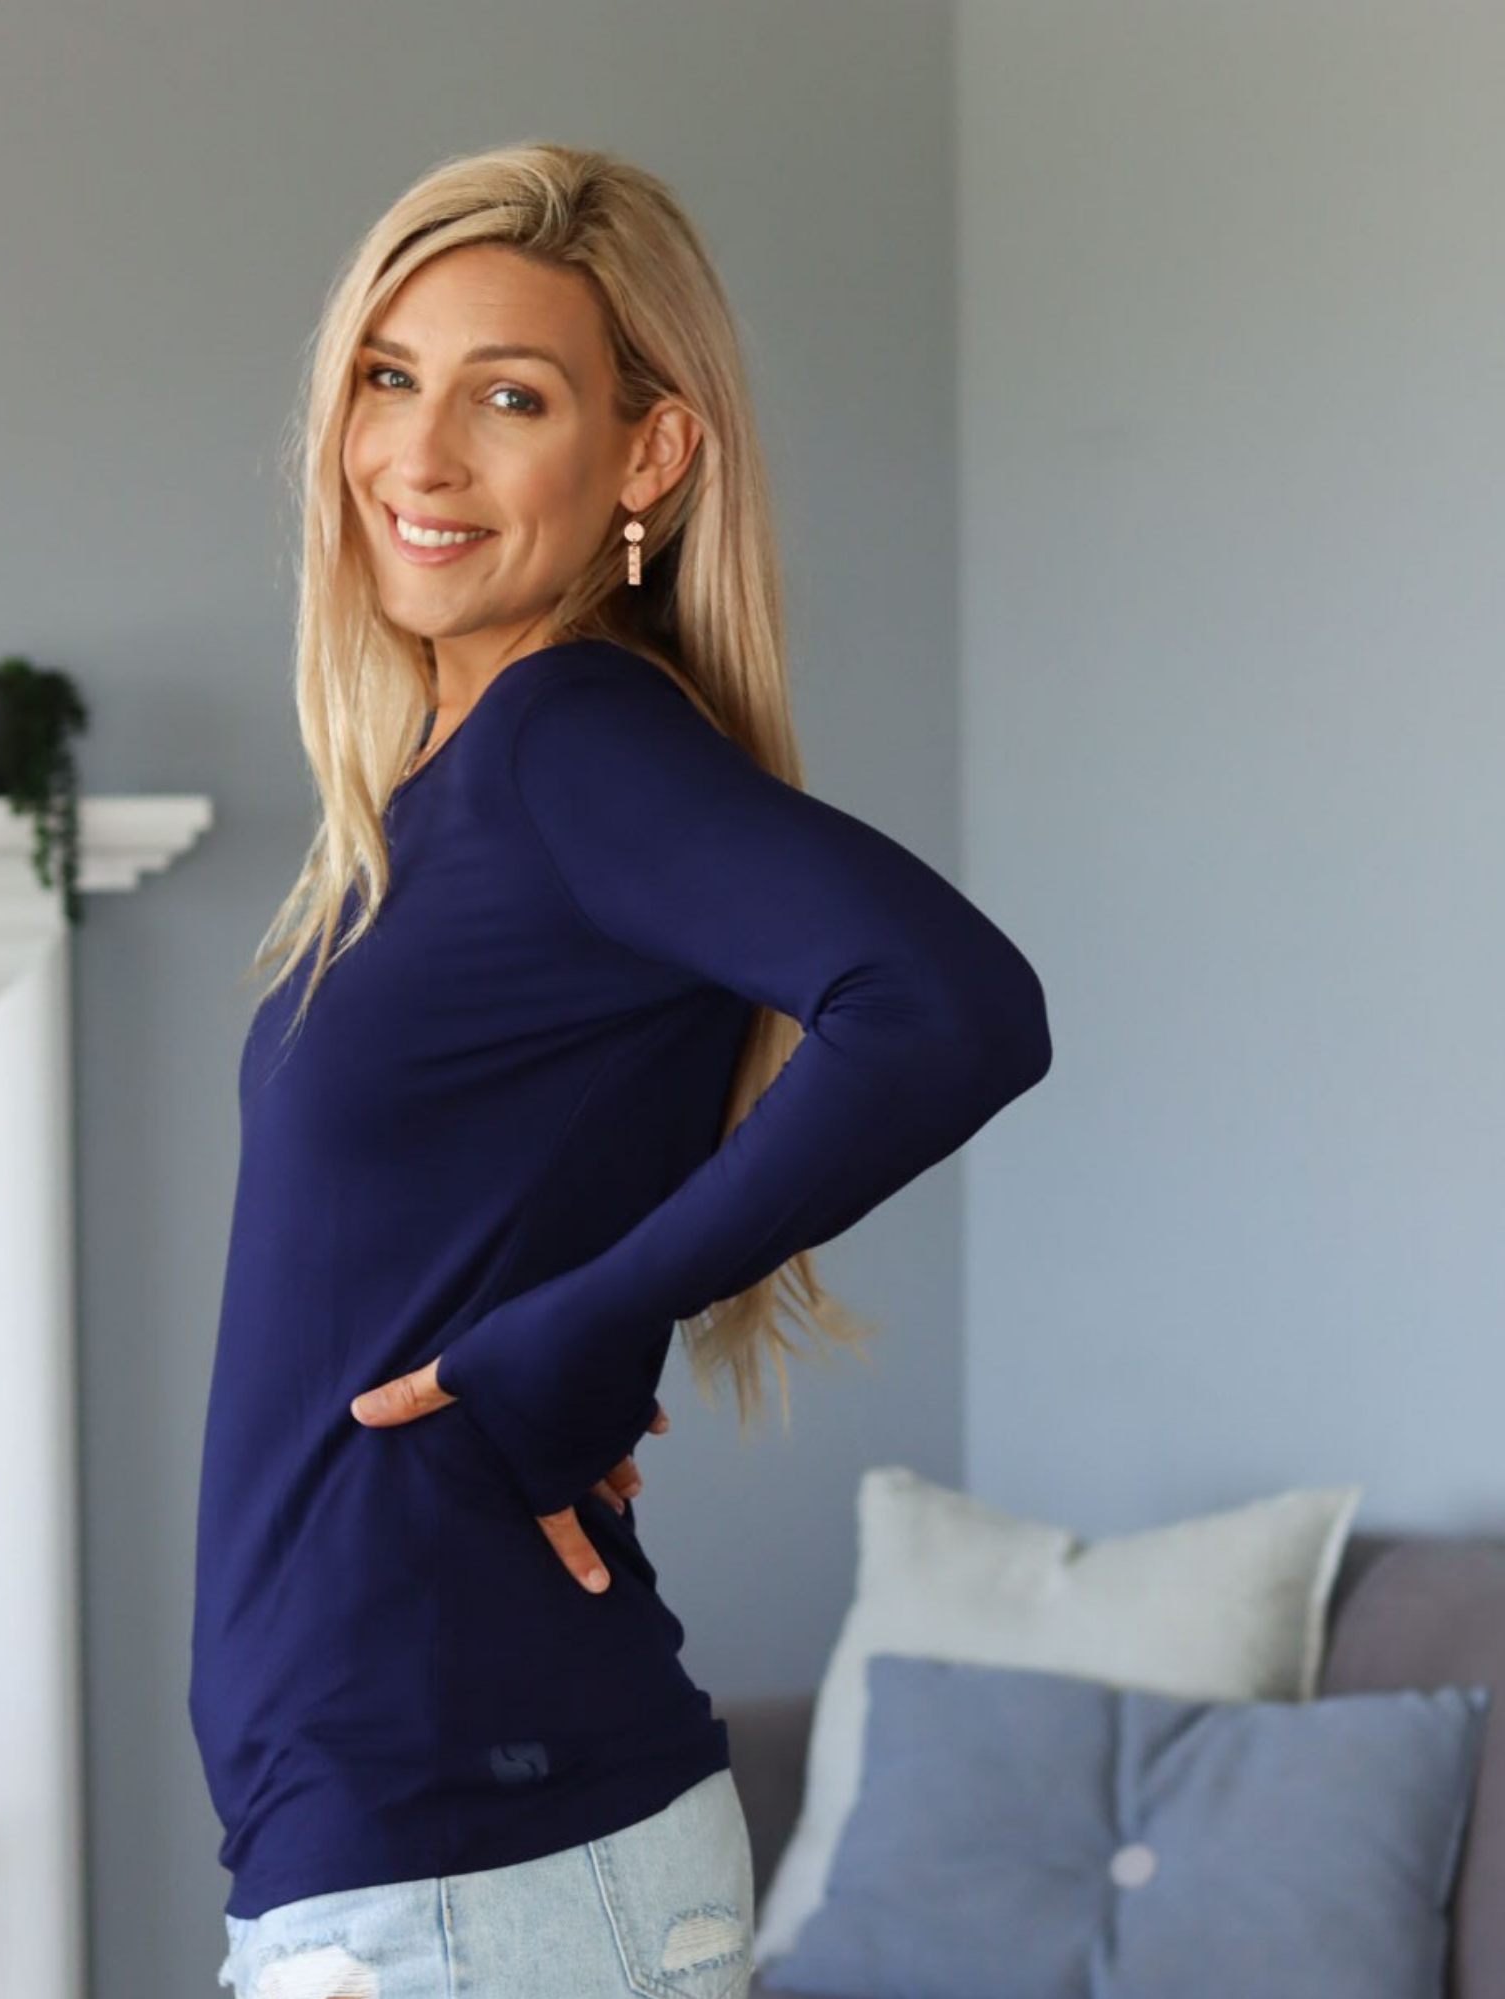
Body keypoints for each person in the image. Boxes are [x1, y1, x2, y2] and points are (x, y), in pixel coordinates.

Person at [190, 138, 1053, 1999]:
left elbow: (953, 1001)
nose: (418, 457)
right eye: (388, 379)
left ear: (645, 456)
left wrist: (581, 1329)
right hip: (418, 1848)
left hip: (466, 1864)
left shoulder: (569, 743)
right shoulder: (450, 795)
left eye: (512, 397)